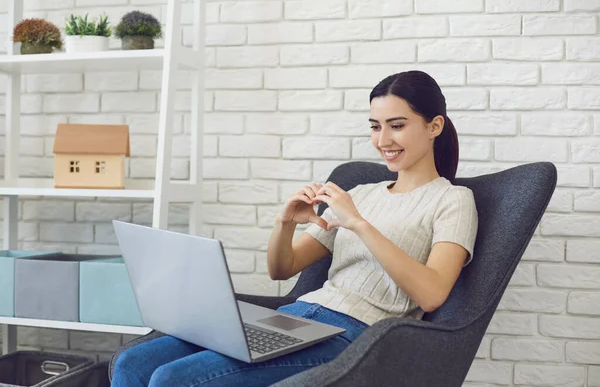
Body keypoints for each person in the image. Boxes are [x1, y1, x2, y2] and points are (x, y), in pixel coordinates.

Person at [111, 70, 479, 387]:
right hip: (298, 318)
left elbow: (432, 294)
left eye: (397, 126)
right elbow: (282, 269)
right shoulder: (360, 193)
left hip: (358, 337)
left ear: (434, 126)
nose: (383, 140)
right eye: (375, 126)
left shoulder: (453, 200)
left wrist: (359, 224)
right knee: (133, 364)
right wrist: (284, 223)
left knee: (171, 379)